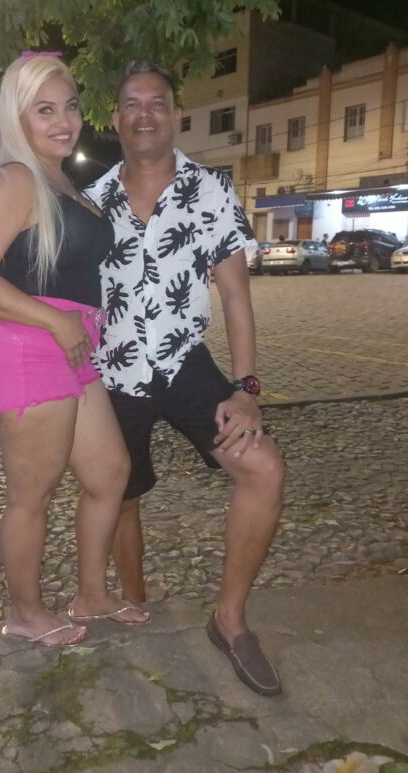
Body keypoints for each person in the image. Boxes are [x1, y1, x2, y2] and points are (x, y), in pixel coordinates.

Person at [85, 59, 285, 695]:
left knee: (264, 468)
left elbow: (236, 298)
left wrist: (245, 391)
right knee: (120, 495)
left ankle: (229, 621)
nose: (144, 113)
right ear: (115, 118)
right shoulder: (90, 201)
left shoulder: (211, 189)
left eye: (157, 103)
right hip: (112, 371)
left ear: (175, 115)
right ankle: (135, 603)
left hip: (183, 362)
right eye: (132, 103)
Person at [0, 54, 149, 649]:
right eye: (44, 110)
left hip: (71, 347)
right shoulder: (15, 180)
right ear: (19, 117)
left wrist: (70, 327)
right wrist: (54, 322)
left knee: (110, 473)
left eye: (70, 107)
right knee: (32, 495)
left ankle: (91, 593)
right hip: (30, 350)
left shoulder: (61, 182)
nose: (64, 122)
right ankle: (25, 612)